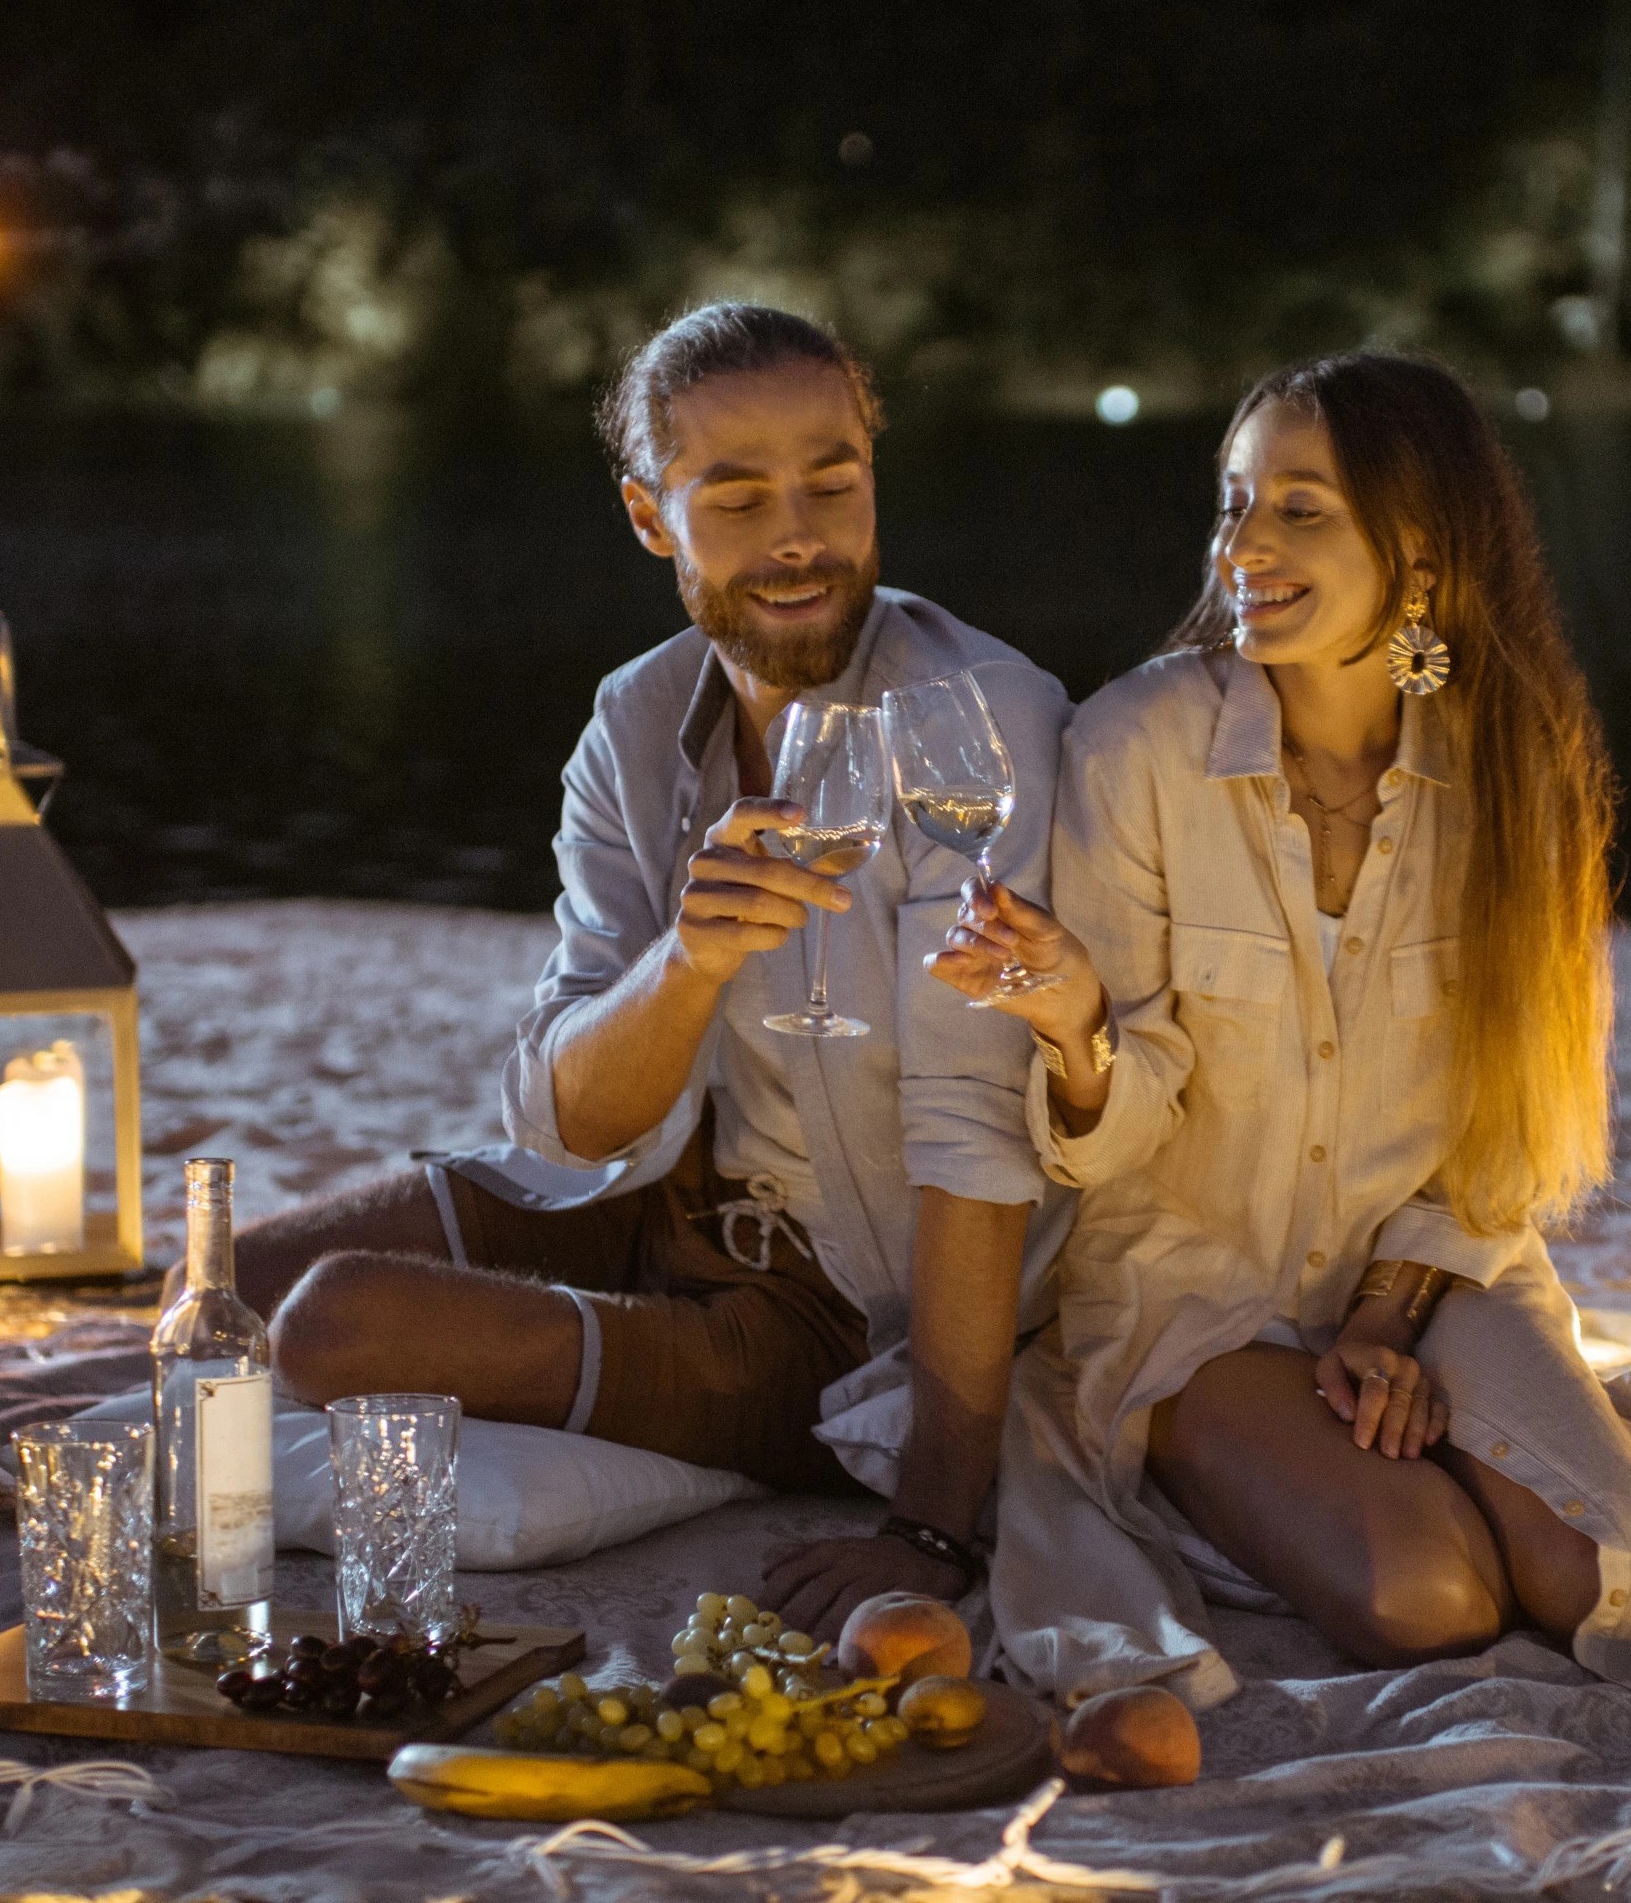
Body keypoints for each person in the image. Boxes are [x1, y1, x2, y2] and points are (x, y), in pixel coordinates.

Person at [943, 352, 1631, 1705]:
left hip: (1433, 1274)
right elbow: (1113, 1145)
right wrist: (1076, 1025)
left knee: (1616, 1585)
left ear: (1422, 549)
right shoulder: (1138, 746)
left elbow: (1512, 1124)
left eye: (1301, 509)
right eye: (1233, 503)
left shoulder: (1519, 773)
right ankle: (1346, 1475)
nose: (1244, 545)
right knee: (1425, 1596)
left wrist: (1389, 1317)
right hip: (1195, 1300)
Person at [240, 303, 1070, 1635]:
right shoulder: (635, 720)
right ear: (648, 515)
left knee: (334, 1326)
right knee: (226, 1284)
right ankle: (607, 1334)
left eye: (833, 481)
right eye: (735, 496)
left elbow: (980, 1138)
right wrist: (691, 958)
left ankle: (663, 1380)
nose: (797, 533)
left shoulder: (977, 725)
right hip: (657, 1193)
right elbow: (569, 1114)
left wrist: (933, 1514)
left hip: (831, 1307)